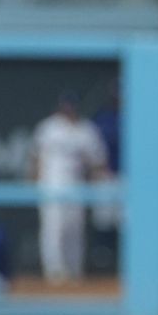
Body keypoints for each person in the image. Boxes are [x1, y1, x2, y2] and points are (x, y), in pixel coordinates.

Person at [30, 90, 111, 285]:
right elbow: (36, 158)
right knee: (53, 229)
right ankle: (54, 272)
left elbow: (97, 161)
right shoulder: (48, 128)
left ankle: (74, 271)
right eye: (65, 105)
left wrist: (97, 182)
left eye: (71, 106)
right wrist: (35, 182)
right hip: (52, 185)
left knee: (74, 230)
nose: (68, 109)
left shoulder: (85, 130)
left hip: (76, 186)